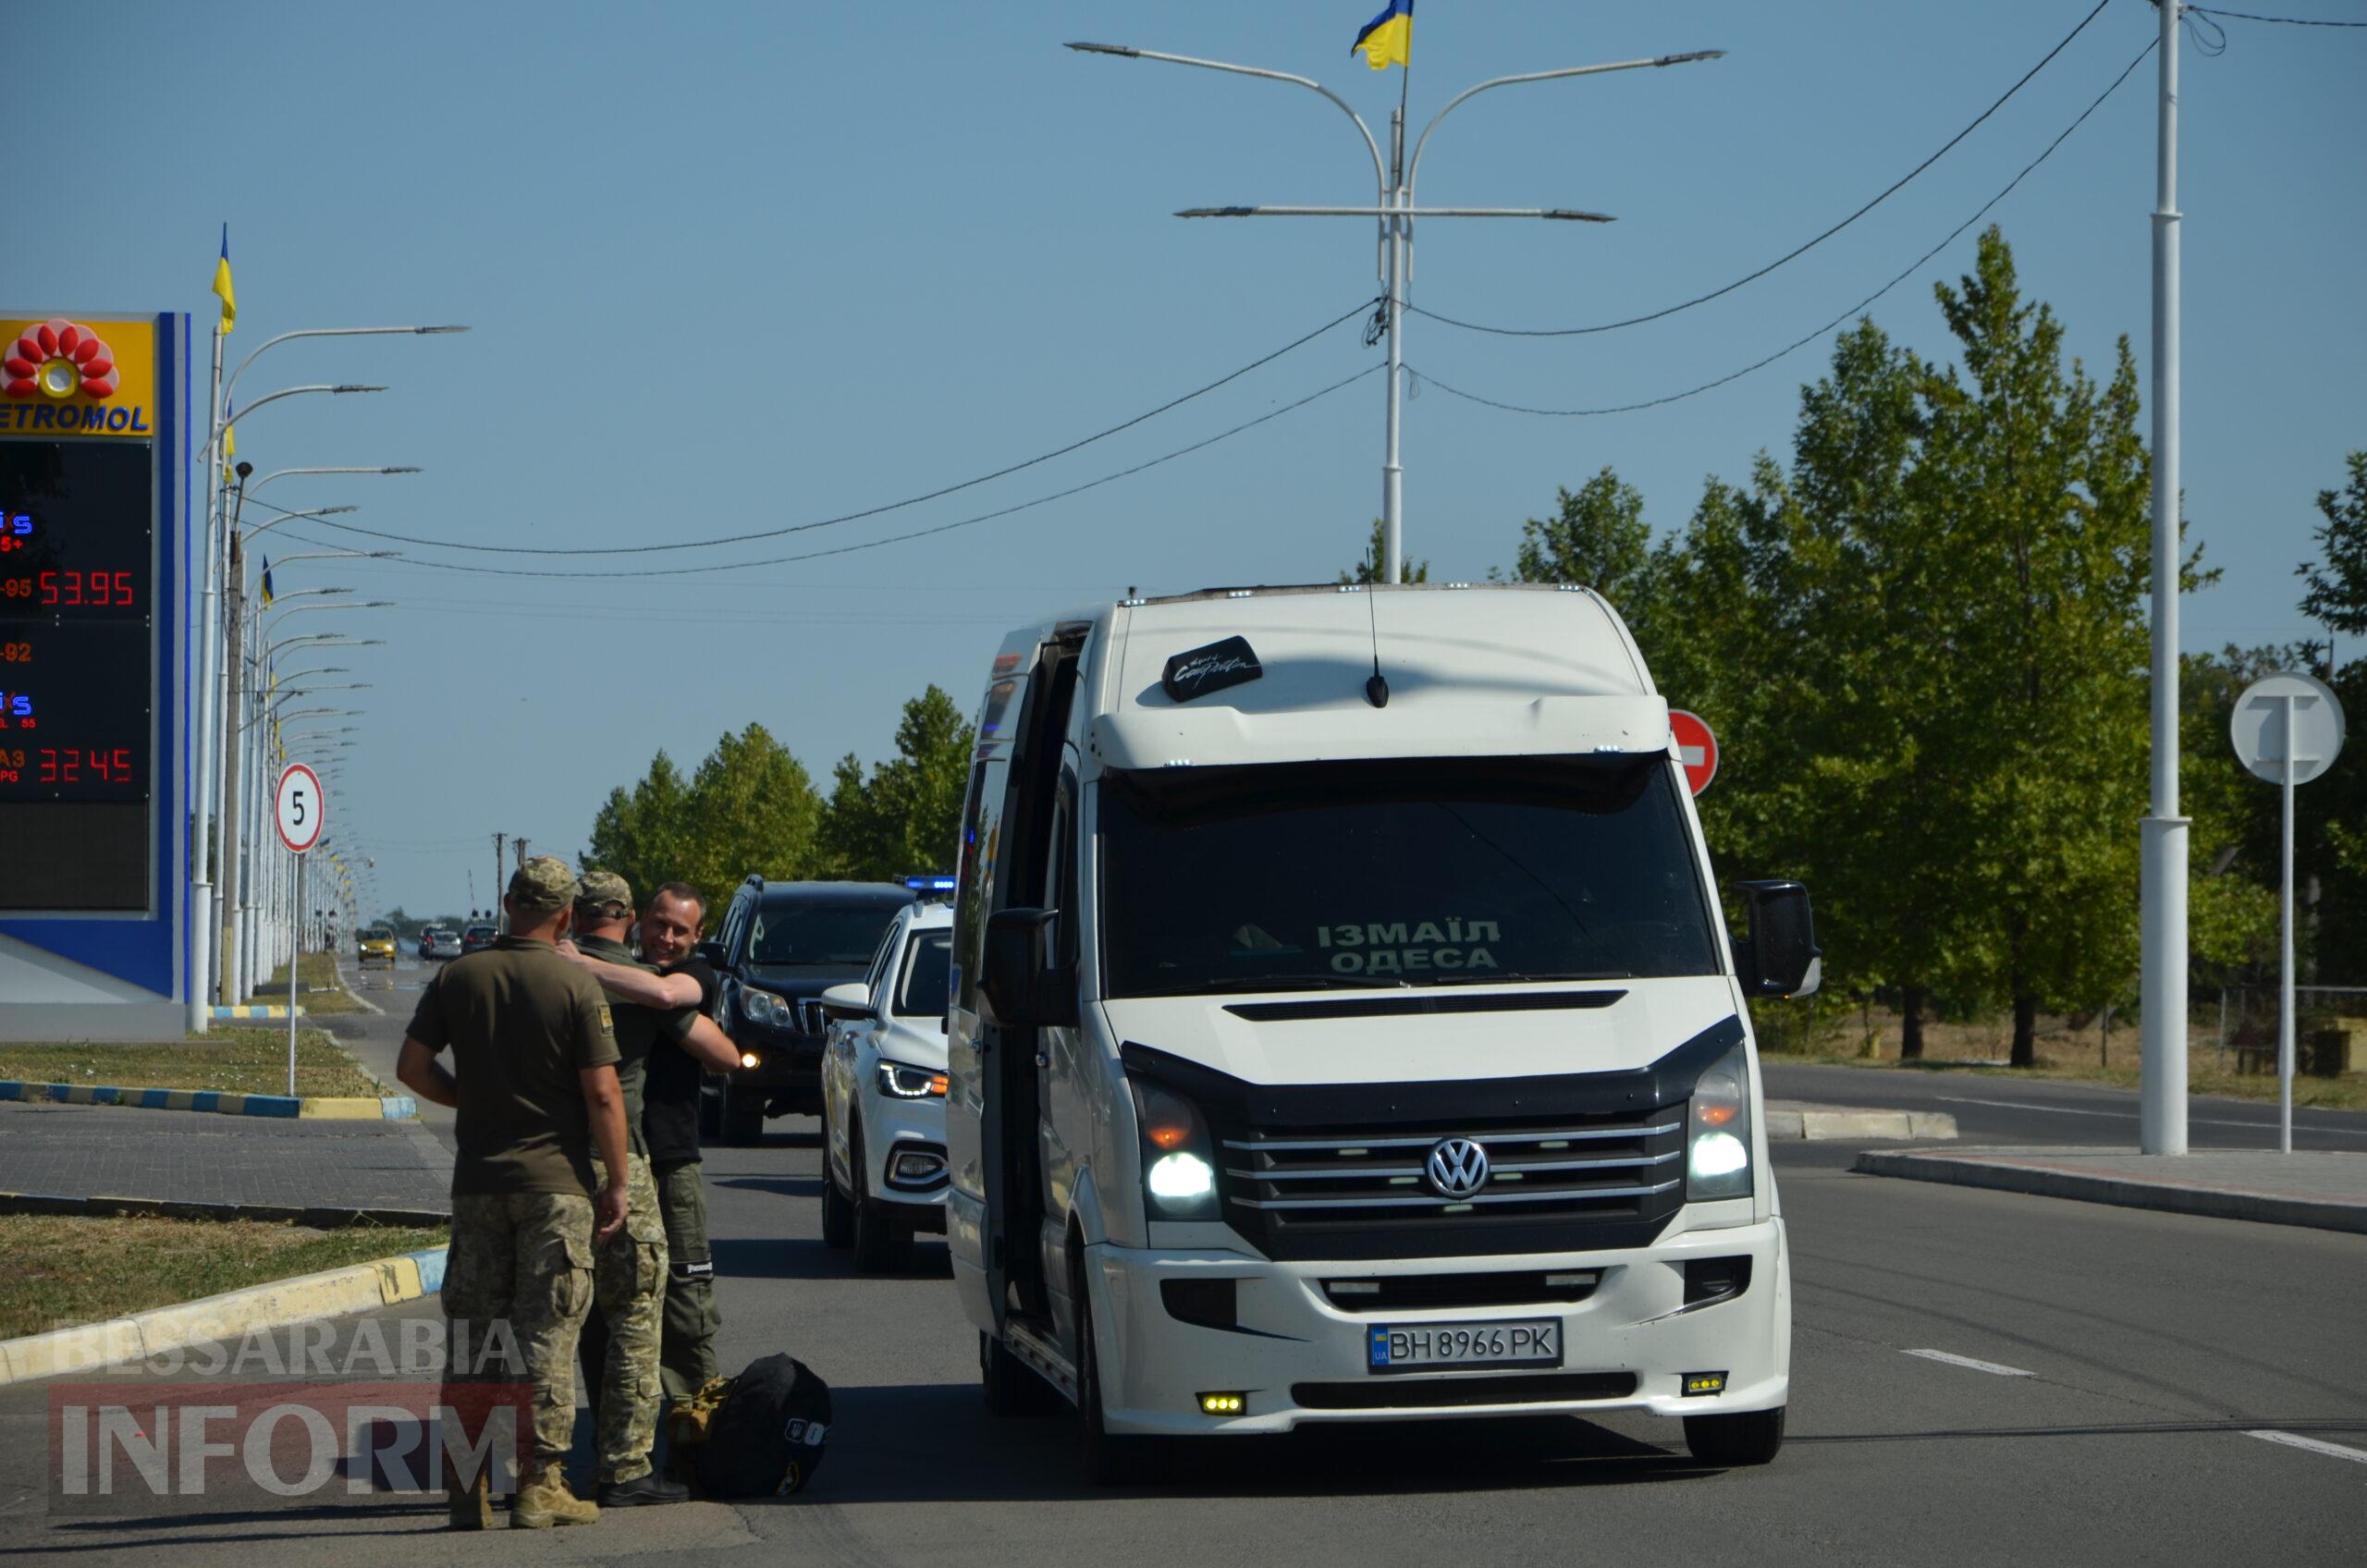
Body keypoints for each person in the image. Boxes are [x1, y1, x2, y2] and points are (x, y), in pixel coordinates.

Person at [395, 856, 625, 1532]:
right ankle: (540, 1484)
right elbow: (604, 1094)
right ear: (565, 916)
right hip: (556, 1187)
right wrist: (618, 1183)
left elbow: (412, 1067)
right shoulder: (575, 985)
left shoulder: (458, 977)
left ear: (506, 903)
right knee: (546, 1336)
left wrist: (470, 1098)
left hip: (478, 1185)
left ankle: (467, 1488)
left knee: (474, 1337)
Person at [555, 871, 735, 1504]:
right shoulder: (625, 978)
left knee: (686, 1308)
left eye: (679, 929)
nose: (666, 937)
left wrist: (581, 963)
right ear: (635, 921)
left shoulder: (692, 978)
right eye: (657, 924)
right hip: (618, 1162)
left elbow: (716, 1044)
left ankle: (697, 1450)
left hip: (671, 1162)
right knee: (614, 1314)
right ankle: (621, 1451)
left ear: (698, 935)